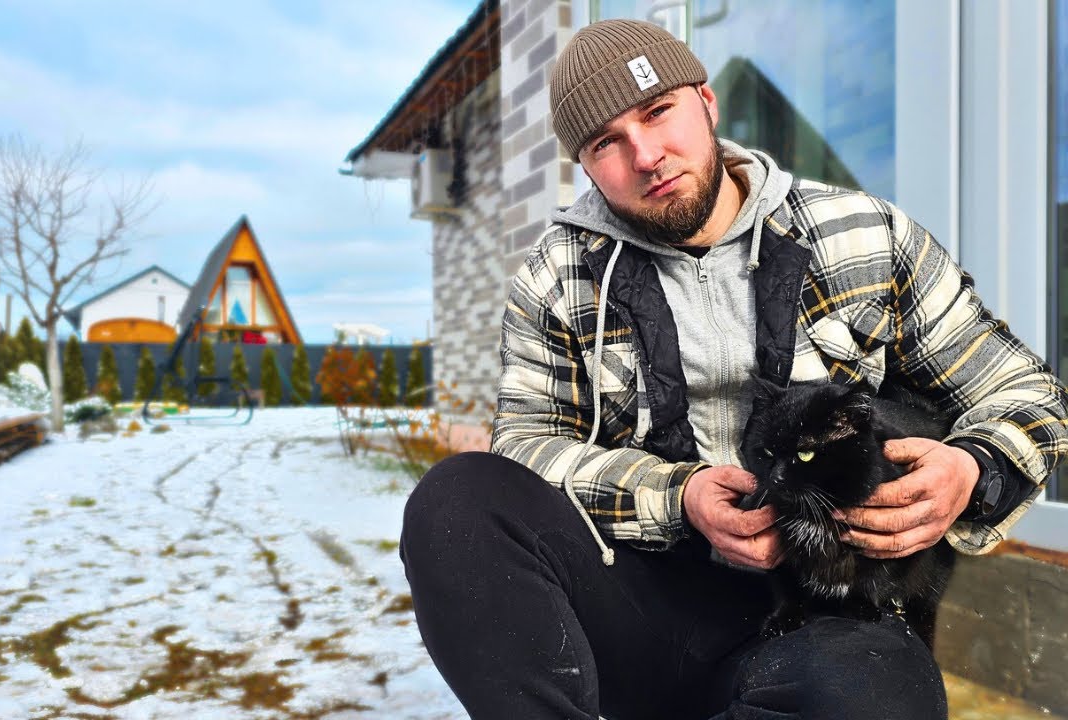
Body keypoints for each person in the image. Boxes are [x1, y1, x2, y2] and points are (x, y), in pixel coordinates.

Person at [399, 19, 1068, 720]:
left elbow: (1025, 392)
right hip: (636, 594)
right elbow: (527, 449)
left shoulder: (866, 235)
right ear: (585, 166)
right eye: (607, 143)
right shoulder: (557, 280)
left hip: (818, 615)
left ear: (707, 104)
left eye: (658, 112)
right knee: (456, 502)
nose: (648, 154)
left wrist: (970, 470)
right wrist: (679, 496)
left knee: (875, 695)